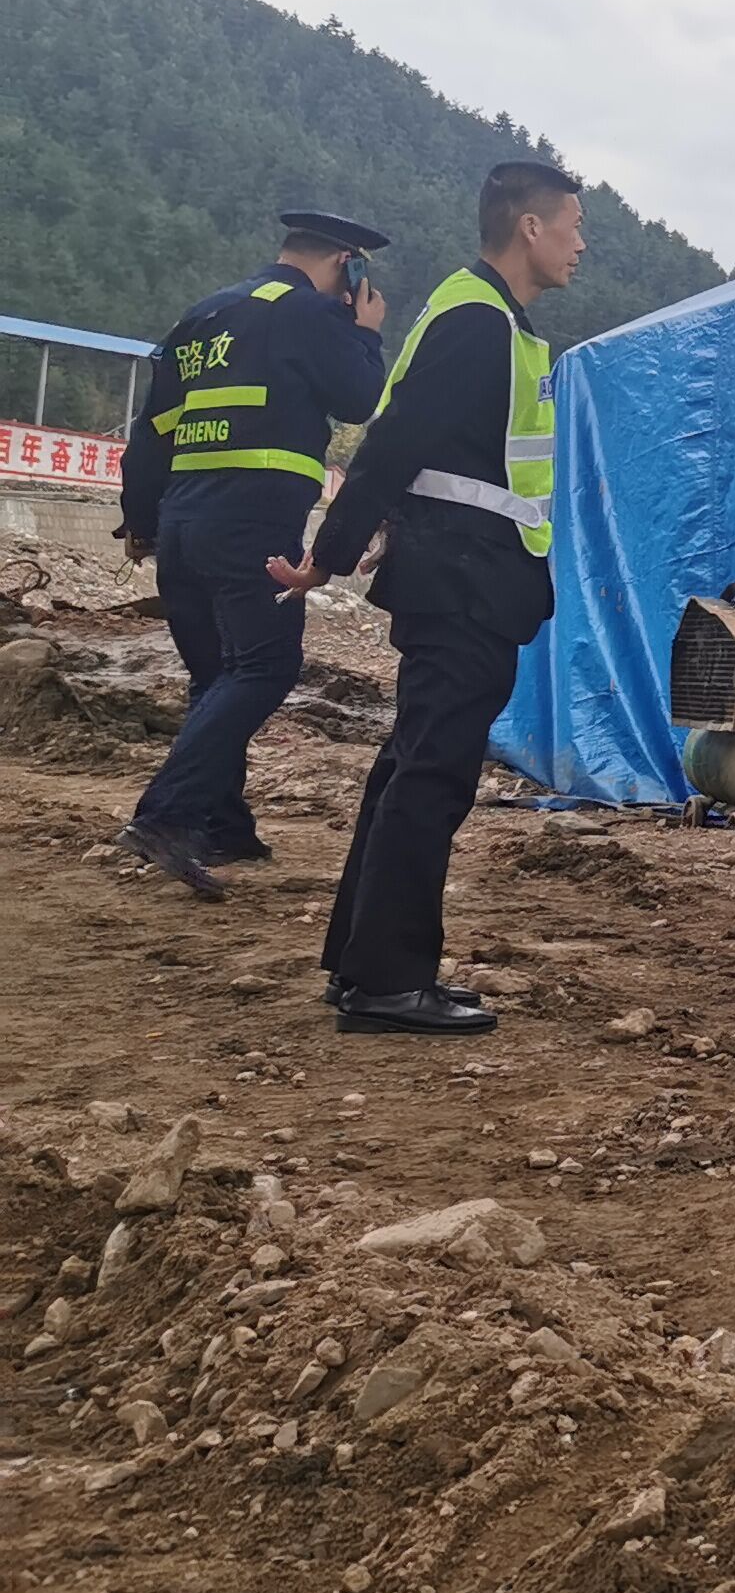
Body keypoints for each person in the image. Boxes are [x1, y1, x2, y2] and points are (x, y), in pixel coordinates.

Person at [274, 160, 584, 1035]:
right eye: (573, 227)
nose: (580, 246)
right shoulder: (477, 322)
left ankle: (362, 963)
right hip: (463, 582)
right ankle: (387, 982)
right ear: (529, 227)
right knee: (431, 777)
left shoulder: (491, 317)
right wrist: (330, 555)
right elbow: (393, 441)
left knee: (411, 767)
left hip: (466, 574)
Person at [110, 212, 393, 896]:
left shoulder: (203, 316)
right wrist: (365, 333)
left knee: (215, 675)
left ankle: (222, 825)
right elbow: (360, 401)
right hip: (251, 523)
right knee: (265, 665)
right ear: (347, 265)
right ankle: (167, 816)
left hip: (182, 522)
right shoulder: (306, 312)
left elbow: (152, 431)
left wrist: (140, 520)